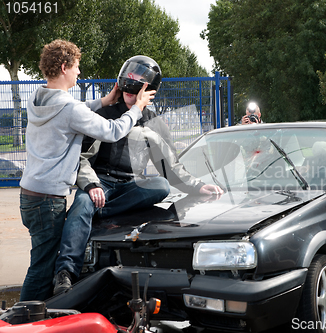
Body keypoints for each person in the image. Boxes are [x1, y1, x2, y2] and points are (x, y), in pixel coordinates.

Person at [53, 56, 224, 295]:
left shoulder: (155, 123)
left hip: (130, 187)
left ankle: (102, 210)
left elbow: (170, 167)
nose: (130, 94)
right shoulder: (102, 113)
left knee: (161, 186)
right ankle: (64, 273)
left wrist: (197, 187)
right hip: (98, 181)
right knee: (82, 202)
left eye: (137, 91)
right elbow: (80, 158)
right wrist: (91, 185)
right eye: (128, 88)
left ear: (149, 91)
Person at [19, 40, 156, 302]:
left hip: (30, 195)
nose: (79, 73)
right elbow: (112, 131)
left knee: (40, 260)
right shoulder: (69, 108)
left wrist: (104, 101)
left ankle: (30, 317)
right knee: (42, 267)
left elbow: (72, 112)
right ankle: (22, 322)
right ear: (64, 67)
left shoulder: (37, 98)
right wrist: (137, 109)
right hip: (49, 200)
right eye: (77, 67)